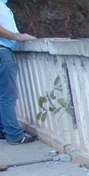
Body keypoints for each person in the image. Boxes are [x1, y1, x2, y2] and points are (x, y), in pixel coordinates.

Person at [0, 0, 35, 145]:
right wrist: (17, 36)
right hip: (2, 52)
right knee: (8, 96)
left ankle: (4, 129)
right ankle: (14, 135)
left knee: (3, 95)